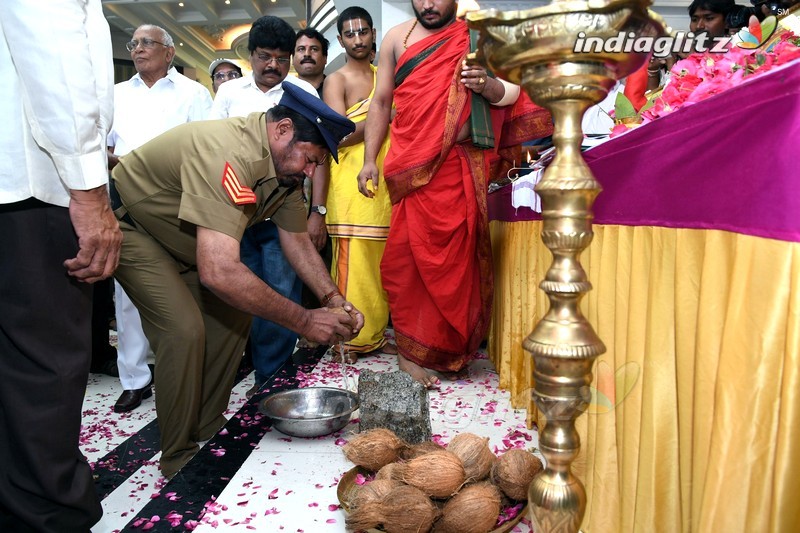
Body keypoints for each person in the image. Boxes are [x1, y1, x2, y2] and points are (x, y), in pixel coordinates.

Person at [111, 82, 362, 479]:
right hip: (133, 228)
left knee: (233, 318)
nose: (311, 171)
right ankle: (177, 455)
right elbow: (219, 271)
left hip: (186, 240)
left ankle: (207, 426)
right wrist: (305, 321)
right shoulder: (227, 153)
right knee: (184, 331)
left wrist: (332, 298)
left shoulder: (285, 174)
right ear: (281, 131)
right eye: (310, 159)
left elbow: (296, 240)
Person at [358, 0, 553, 387]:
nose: (428, 4)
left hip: (459, 165)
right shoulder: (398, 39)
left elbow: (513, 93)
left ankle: (449, 350)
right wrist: (368, 160)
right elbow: (381, 101)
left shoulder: (480, 33)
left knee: (457, 262)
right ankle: (411, 354)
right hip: (410, 166)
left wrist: (488, 85)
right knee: (406, 260)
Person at [0, 1, 121, 530]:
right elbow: (56, 59)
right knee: (45, 367)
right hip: (32, 184)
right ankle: (48, 515)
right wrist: (89, 192)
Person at [210, 16, 321, 393]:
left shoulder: (303, 91)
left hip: (282, 213)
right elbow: (214, 149)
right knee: (241, 292)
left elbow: (317, 158)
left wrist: (317, 211)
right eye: (264, 57)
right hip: (235, 213)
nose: (272, 65)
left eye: (281, 57)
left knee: (281, 293)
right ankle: (240, 368)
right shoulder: (229, 94)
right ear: (250, 56)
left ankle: (270, 379)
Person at [108, 23, 213, 413]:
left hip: (176, 200)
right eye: (133, 44)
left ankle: (183, 370)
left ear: (169, 52)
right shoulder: (116, 94)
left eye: (146, 43)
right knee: (128, 293)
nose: (137, 49)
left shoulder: (194, 93)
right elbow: (102, 143)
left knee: (184, 286)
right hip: (123, 196)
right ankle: (135, 379)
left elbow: (206, 147)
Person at [323, 7, 396, 362]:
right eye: (349, 34)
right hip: (351, 187)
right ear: (340, 40)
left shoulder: (386, 75)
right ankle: (348, 339)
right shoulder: (336, 80)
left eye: (363, 32)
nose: (357, 39)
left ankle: (376, 335)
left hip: (384, 183)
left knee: (383, 267)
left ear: (373, 34)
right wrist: (384, 114)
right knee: (354, 268)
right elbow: (336, 135)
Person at [293, 28, 329, 97]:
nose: (307, 54)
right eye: (301, 49)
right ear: (292, 58)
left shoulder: (337, 90)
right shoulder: (283, 93)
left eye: (314, 49)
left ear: (325, 58)